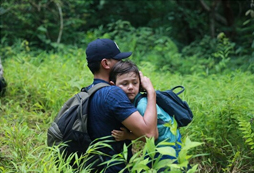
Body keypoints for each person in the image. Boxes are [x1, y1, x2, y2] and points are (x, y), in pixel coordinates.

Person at [85, 38, 158, 172]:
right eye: (118, 60)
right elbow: (150, 134)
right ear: (105, 63)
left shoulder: (88, 91)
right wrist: (151, 92)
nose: (122, 63)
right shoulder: (113, 93)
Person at [109, 60, 182, 166]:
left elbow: (152, 136)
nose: (130, 87)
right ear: (113, 85)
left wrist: (127, 136)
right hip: (157, 144)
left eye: (135, 83)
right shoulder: (133, 102)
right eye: (124, 84)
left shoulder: (142, 105)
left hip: (168, 144)